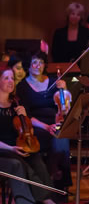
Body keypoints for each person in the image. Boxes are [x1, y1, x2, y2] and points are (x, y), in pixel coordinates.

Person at [16, 52, 72, 191]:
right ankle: (55, 178)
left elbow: (63, 108)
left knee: (61, 136)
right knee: (57, 139)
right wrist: (47, 127)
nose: (38, 65)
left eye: (41, 62)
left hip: (55, 121)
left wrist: (64, 90)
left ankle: (52, 175)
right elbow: (27, 115)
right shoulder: (23, 86)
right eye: (34, 62)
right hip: (35, 125)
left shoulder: (54, 81)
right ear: (28, 66)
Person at [0, 67, 55, 204]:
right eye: (6, 78)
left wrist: (24, 116)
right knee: (19, 163)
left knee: (36, 158)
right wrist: (11, 148)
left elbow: (26, 128)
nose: (10, 81)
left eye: (12, 78)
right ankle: (44, 200)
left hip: (16, 148)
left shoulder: (16, 105)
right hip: (4, 149)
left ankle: (48, 197)